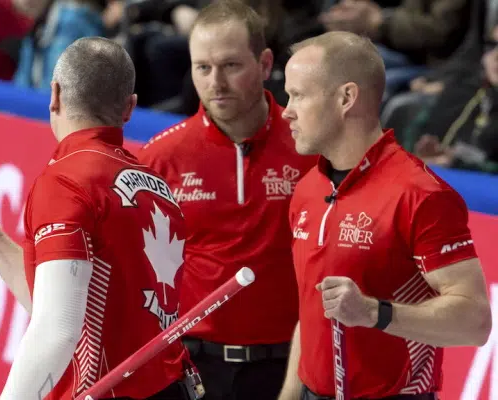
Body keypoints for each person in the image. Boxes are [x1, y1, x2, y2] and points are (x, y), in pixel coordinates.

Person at [0, 37, 200, 399]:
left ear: (54, 94)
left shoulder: (65, 180)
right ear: (129, 108)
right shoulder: (156, 185)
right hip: (169, 387)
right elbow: (65, 302)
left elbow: (57, 330)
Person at [277, 31, 492, 400]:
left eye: (299, 95)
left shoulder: (420, 194)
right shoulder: (309, 188)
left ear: (346, 98)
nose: (286, 110)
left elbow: (475, 322)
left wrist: (375, 313)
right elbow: (312, 314)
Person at [135, 2, 316, 399]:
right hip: (193, 367)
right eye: (203, 67)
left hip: (289, 368)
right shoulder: (160, 158)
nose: (215, 82)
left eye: (231, 66)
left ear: (265, 64)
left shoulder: (312, 151)